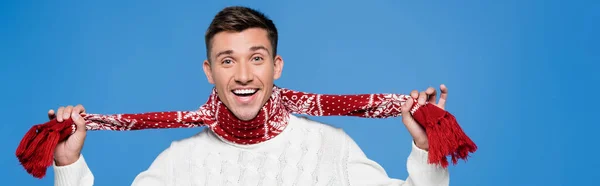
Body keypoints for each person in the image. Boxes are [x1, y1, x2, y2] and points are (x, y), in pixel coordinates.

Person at [49, 6, 450, 186]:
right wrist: (68, 167)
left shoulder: (331, 148)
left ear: (276, 67)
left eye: (256, 58)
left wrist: (426, 147)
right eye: (227, 61)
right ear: (209, 72)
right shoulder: (178, 163)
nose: (243, 75)